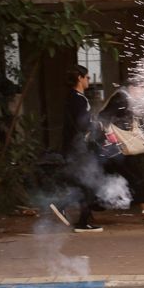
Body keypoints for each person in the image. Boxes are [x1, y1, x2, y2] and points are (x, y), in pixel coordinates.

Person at [49, 65, 103, 233]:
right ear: (79, 78)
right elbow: (82, 124)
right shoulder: (78, 99)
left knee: (81, 182)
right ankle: (78, 218)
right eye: (87, 77)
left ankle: (79, 218)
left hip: (75, 147)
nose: (88, 80)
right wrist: (96, 125)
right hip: (78, 148)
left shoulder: (73, 97)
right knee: (86, 182)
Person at [98, 87, 144, 222]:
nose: (143, 90)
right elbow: (103, 118)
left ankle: (87, 210)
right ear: (133, 87)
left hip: (120, 149)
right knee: (136, 177)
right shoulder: (121, 99)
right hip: (120, 148)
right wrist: (112, 138)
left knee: (110, 177)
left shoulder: (127, 99)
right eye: (141, 87)